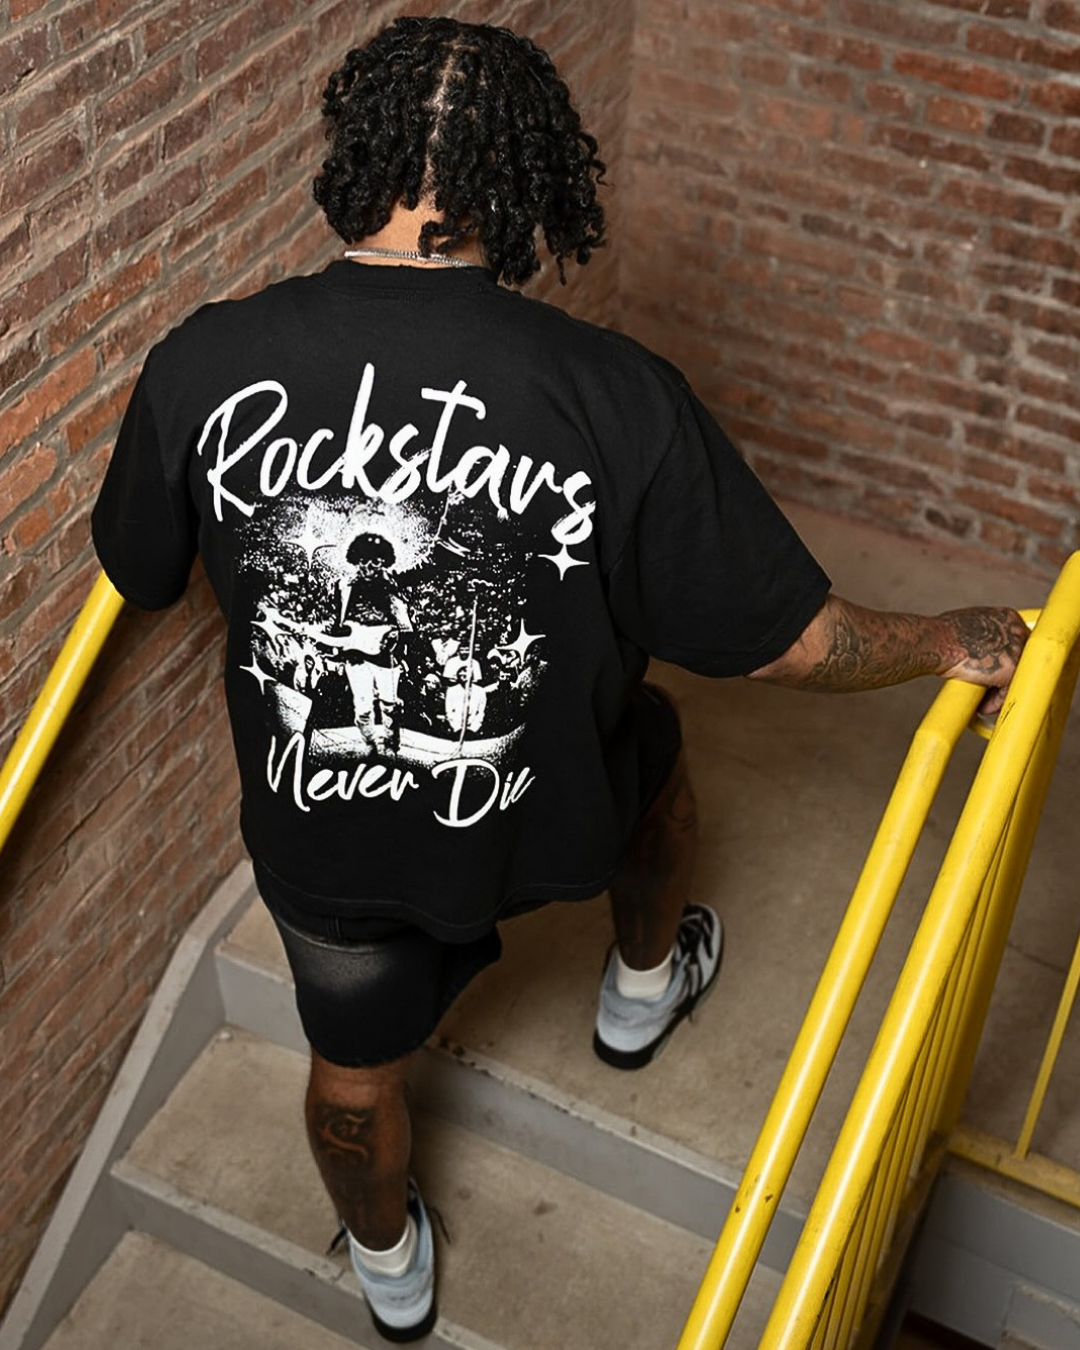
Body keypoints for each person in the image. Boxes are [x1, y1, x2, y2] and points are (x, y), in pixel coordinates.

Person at [91, 17, 1029, 1343]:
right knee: (655, 757)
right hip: (551, 808)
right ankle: (642, 993)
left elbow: (139, 567)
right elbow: (787, 642)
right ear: (523, 184)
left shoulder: (200, 362)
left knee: (351, 1081)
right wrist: (946, 640)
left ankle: (390, 1268)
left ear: (355, 157)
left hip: (326, 836)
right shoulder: (615, 391)